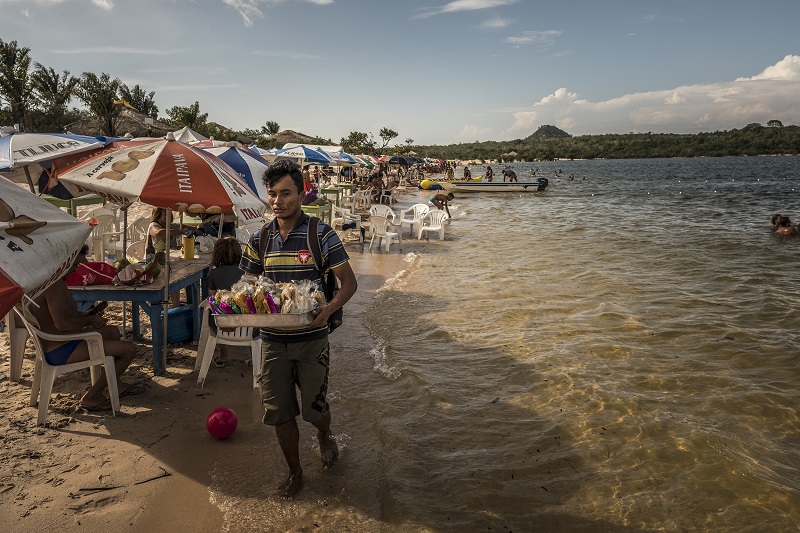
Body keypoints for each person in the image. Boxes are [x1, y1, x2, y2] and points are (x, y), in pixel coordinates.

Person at [240, 159, 357, 499]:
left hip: (312, 340)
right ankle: (295, 472)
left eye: (286, 193)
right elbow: (247, 286)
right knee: (279, 413)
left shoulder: (321, 234)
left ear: (302, 194)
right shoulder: (259, 239)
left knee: (314, 410)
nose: (278, 201)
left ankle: (323, 434)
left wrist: (329, 309)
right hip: (273, 342)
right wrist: (240, 307)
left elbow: (348, 283)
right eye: (273, 194)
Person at [28, 245, 141, 411]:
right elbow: (63, 324)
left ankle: (115, 382)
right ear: (64, 262)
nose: (75, 271)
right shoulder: (54, 286)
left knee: (112, 331)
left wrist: (85, 315)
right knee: (129, 350)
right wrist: (89, 320)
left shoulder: (46, 281)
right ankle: (92, 395)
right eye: (74, 267)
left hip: (55, 342)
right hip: (60, 349)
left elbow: (57, 316)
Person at [207, 237, 246, 366]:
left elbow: (213, 297)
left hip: (222, 323)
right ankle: (254, 355)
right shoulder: (246, 272)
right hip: (248, 323)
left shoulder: (214, 273)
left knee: (213, 312)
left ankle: (224, 354)